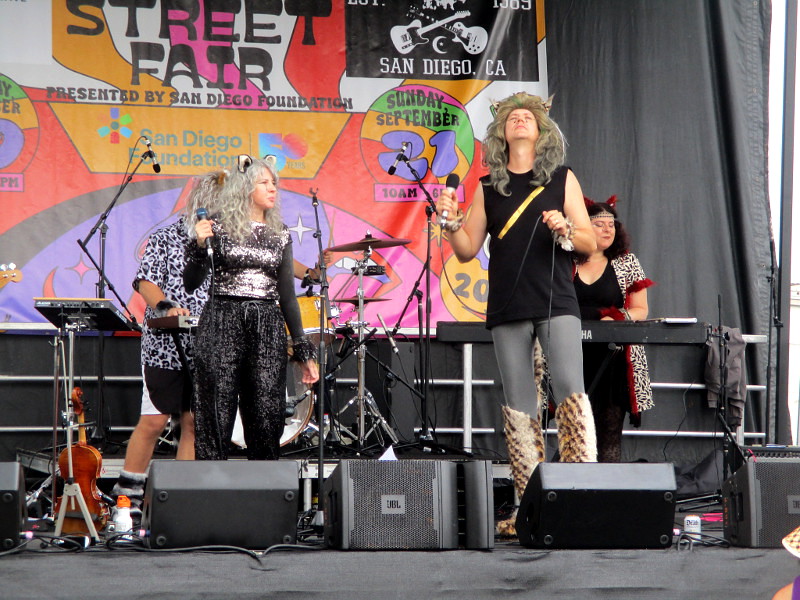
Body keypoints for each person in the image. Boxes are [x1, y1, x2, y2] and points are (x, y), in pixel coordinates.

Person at [435, 92, 597, 536]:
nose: (520, 120)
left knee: (570, 393)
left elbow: (589, 242)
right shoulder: (488, 187)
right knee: (520, 409)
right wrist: (448, 223)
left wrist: (566, 228)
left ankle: (581, 499)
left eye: (528, 116)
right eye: (512, 117)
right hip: (507, 304)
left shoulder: (562, 179)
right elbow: (466, 250)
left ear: (541, 131)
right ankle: (530, 507)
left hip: (556, 300)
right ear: (501, 133)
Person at [184, 155, 319, 460]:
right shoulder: (216, 226)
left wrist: (303, 351)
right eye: (264, 182)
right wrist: (199, 248)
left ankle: (265, 482)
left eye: (274, 183)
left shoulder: (280, 233)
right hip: (222, 321)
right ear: (245, 187)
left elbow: (287, 296)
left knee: (266, 414)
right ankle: (211, 480)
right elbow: (191, 283)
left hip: (267, 326)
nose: (273, 189)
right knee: (215, 412)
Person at [109, 174, 218, 522]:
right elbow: (145, 283)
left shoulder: (225, 244)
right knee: (154, 421)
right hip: (165, 345)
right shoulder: (166, 237)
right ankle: (126, 499)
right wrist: (167, 306)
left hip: (207, 344)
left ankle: (179, 502)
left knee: (193, 423)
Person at [573, 196, 654, 462]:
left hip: (612, 357)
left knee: (608, 432)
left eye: (611, 225)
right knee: (574, 430)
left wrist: (615, 318)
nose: (608, 230)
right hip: (571, 356)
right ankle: (572, 484)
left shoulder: (626, 262)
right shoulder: (565, 261)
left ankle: (607, 484)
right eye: (599, 224)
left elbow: (641, 309)